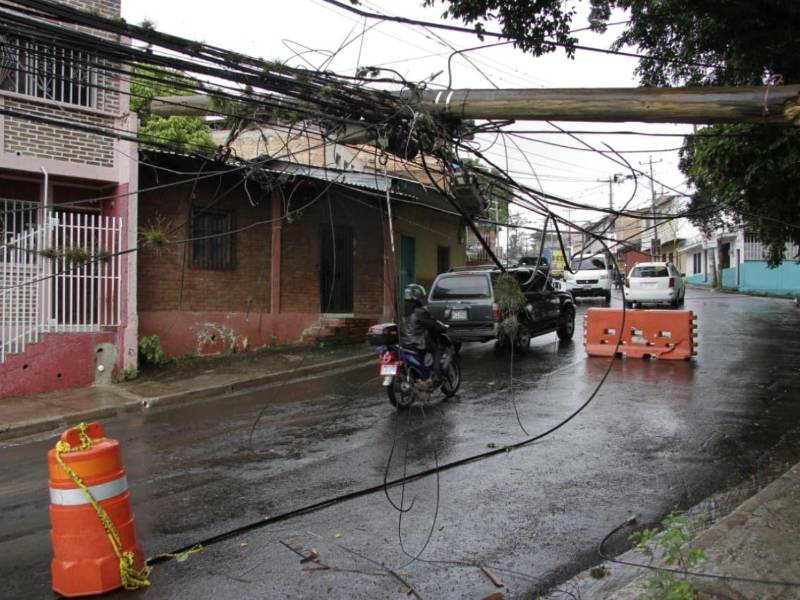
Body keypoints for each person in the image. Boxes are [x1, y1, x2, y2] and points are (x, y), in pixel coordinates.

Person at [400, 283, 448, 384]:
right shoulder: (419, 311)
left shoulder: (404, 311)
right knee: (438, 349)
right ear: (418, 297)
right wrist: (443, 328)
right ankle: (437, 374)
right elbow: (432, 324)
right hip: (419, 343)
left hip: (405, 343)